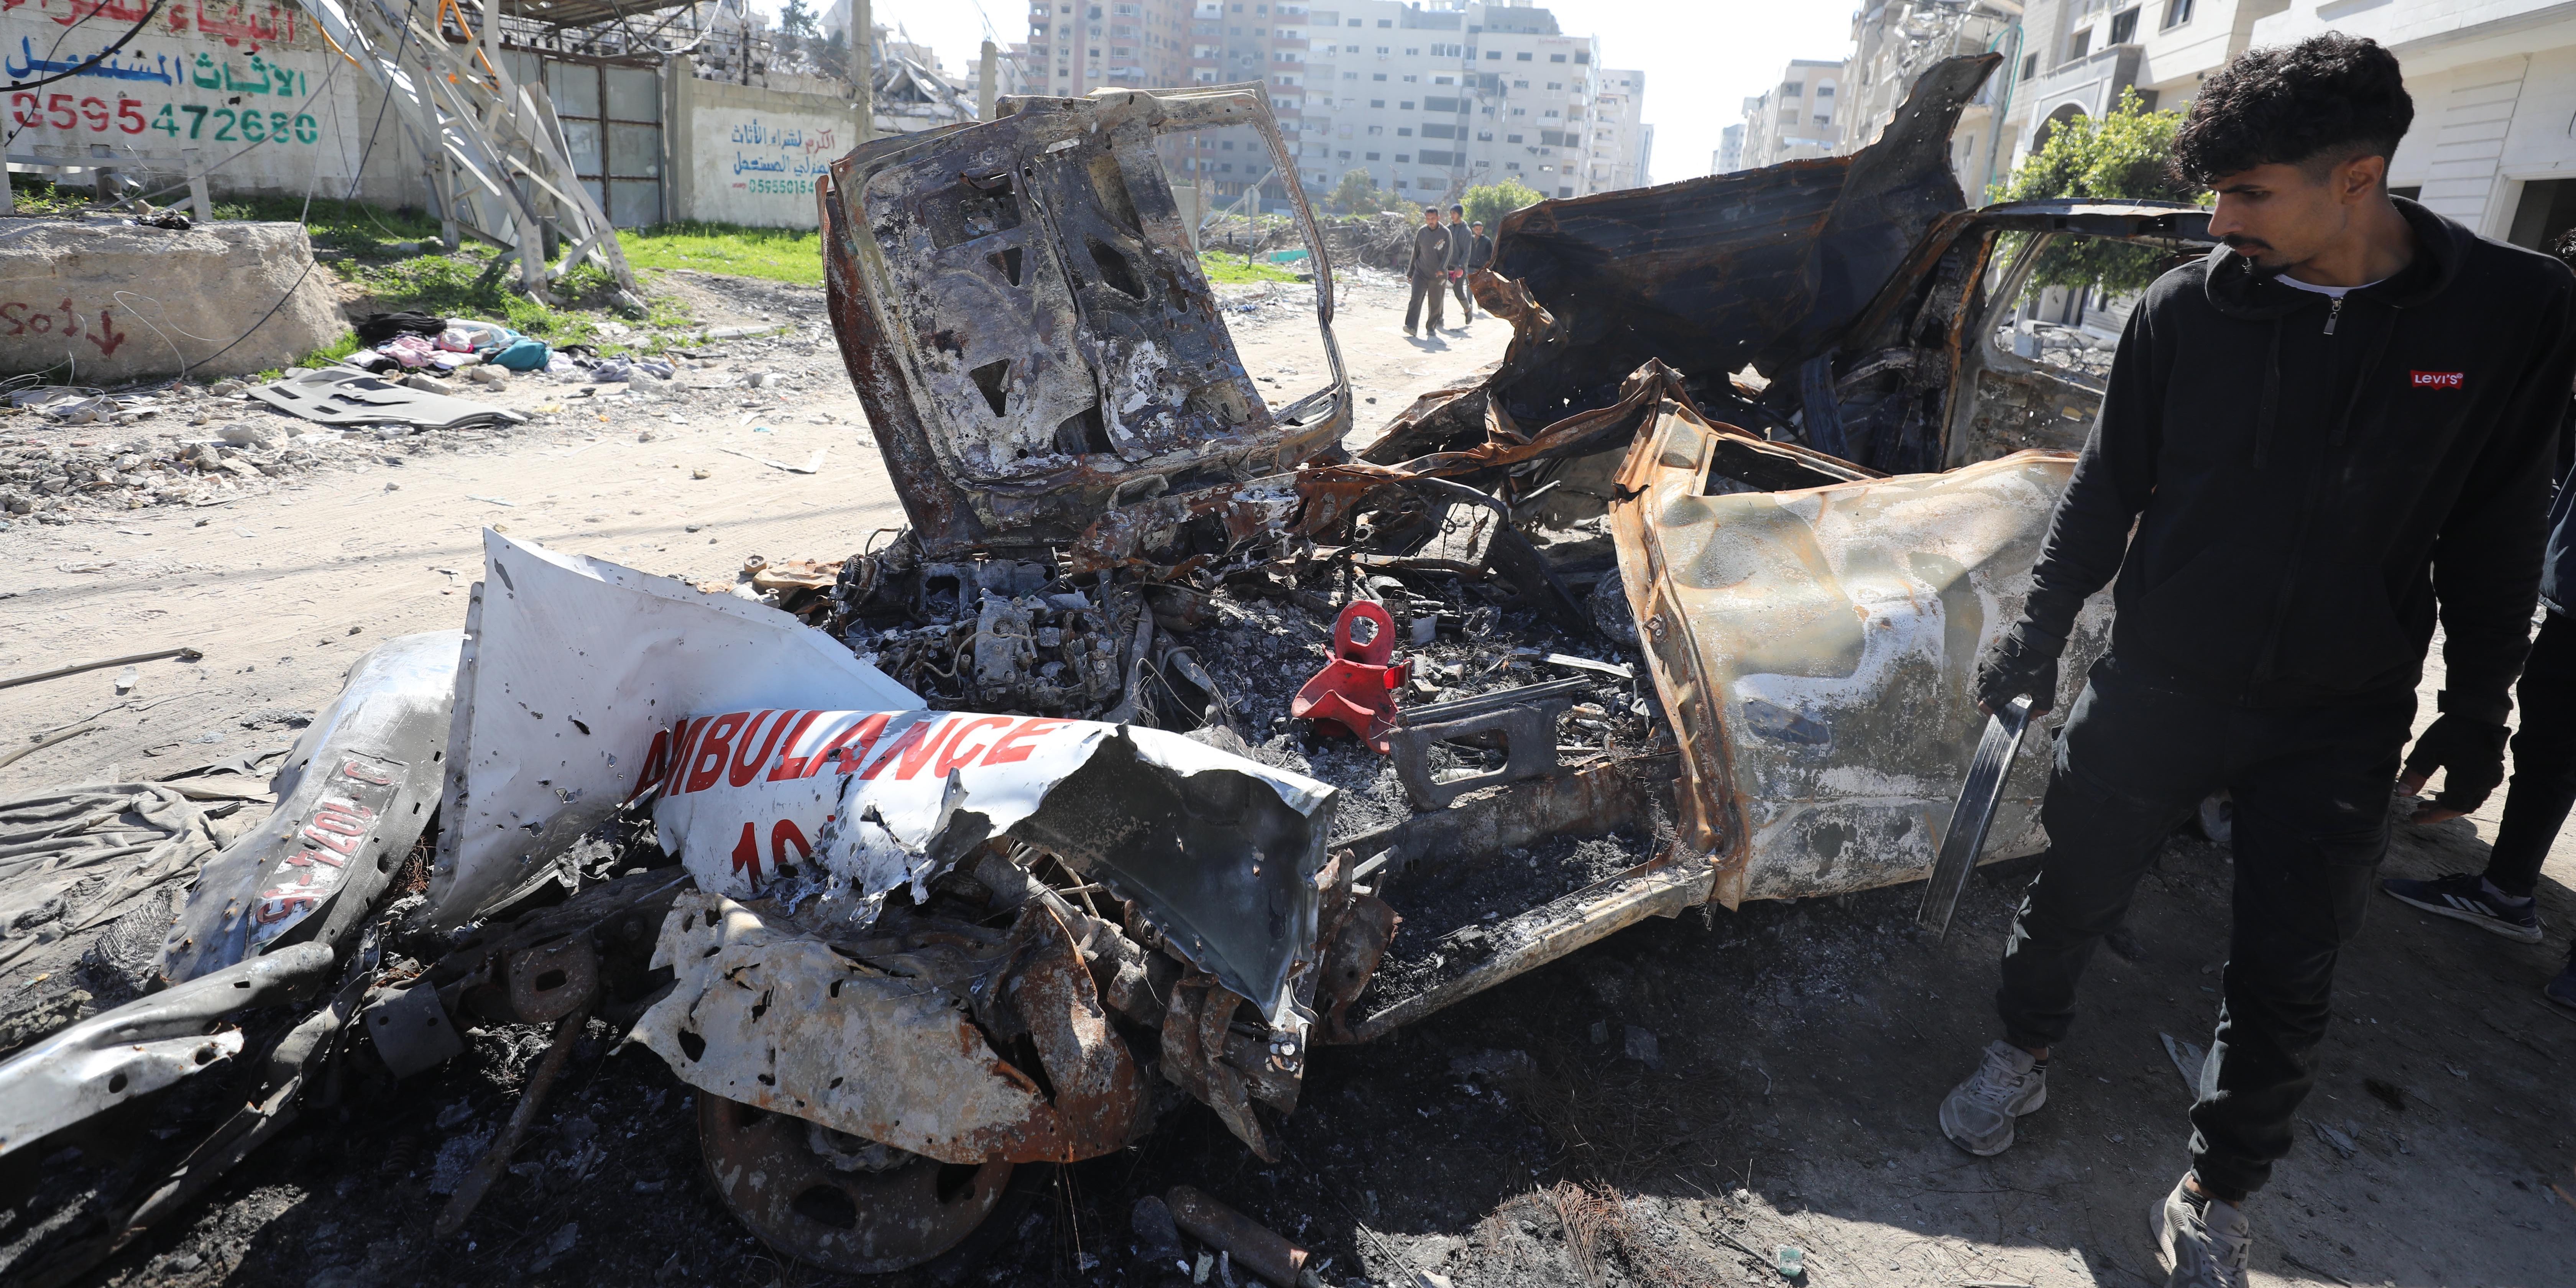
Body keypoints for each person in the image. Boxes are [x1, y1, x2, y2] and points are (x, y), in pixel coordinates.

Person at [1940, 34, 2576, 1288]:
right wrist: (2043, 628)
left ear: (2359, 177)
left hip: (2338, 714)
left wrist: (2481, 698)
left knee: (2290, 967)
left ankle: (2223, 1185)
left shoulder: (2508, 315)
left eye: (2250, 194)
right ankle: (2022, 1051)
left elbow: (2500, 519)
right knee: (2071, 892)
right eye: (2216, 194)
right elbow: (2108, 490)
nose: (2221, 221)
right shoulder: (2188, 310)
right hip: (2160, 684)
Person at [2380, 226, 2576, 1019]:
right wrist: (2475, 712)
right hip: (2572, 597)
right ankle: (2506, 891)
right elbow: (2519, 493)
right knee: (2550, 742)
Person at [1403, 205, 1450, 337]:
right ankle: (1411, 326)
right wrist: (1410, 271)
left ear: (1438, 218)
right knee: (1415, 299)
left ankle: (1431, 327)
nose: (1431, 221)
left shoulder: (1445, 233)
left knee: (1436, 303)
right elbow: (1416, 252)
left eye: (1433, 219)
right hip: (1421, 273)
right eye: (1428, 219)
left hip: (1438, 275)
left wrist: (1442, 269)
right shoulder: (1422, 232)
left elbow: (1448, 253)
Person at [1444, 204, 1475, 328]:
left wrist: (1460, 266)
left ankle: (1468, 310)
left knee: (1458, 291)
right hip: (1446, 265)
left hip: (1460, 267)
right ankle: (1438, 319)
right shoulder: (1447, 229)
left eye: (1454, 213)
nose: (1452, 215)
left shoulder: (1467, 231)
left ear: (1460, 215)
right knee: (1439, 290)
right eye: (1451, 213)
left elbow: (1467, 252)